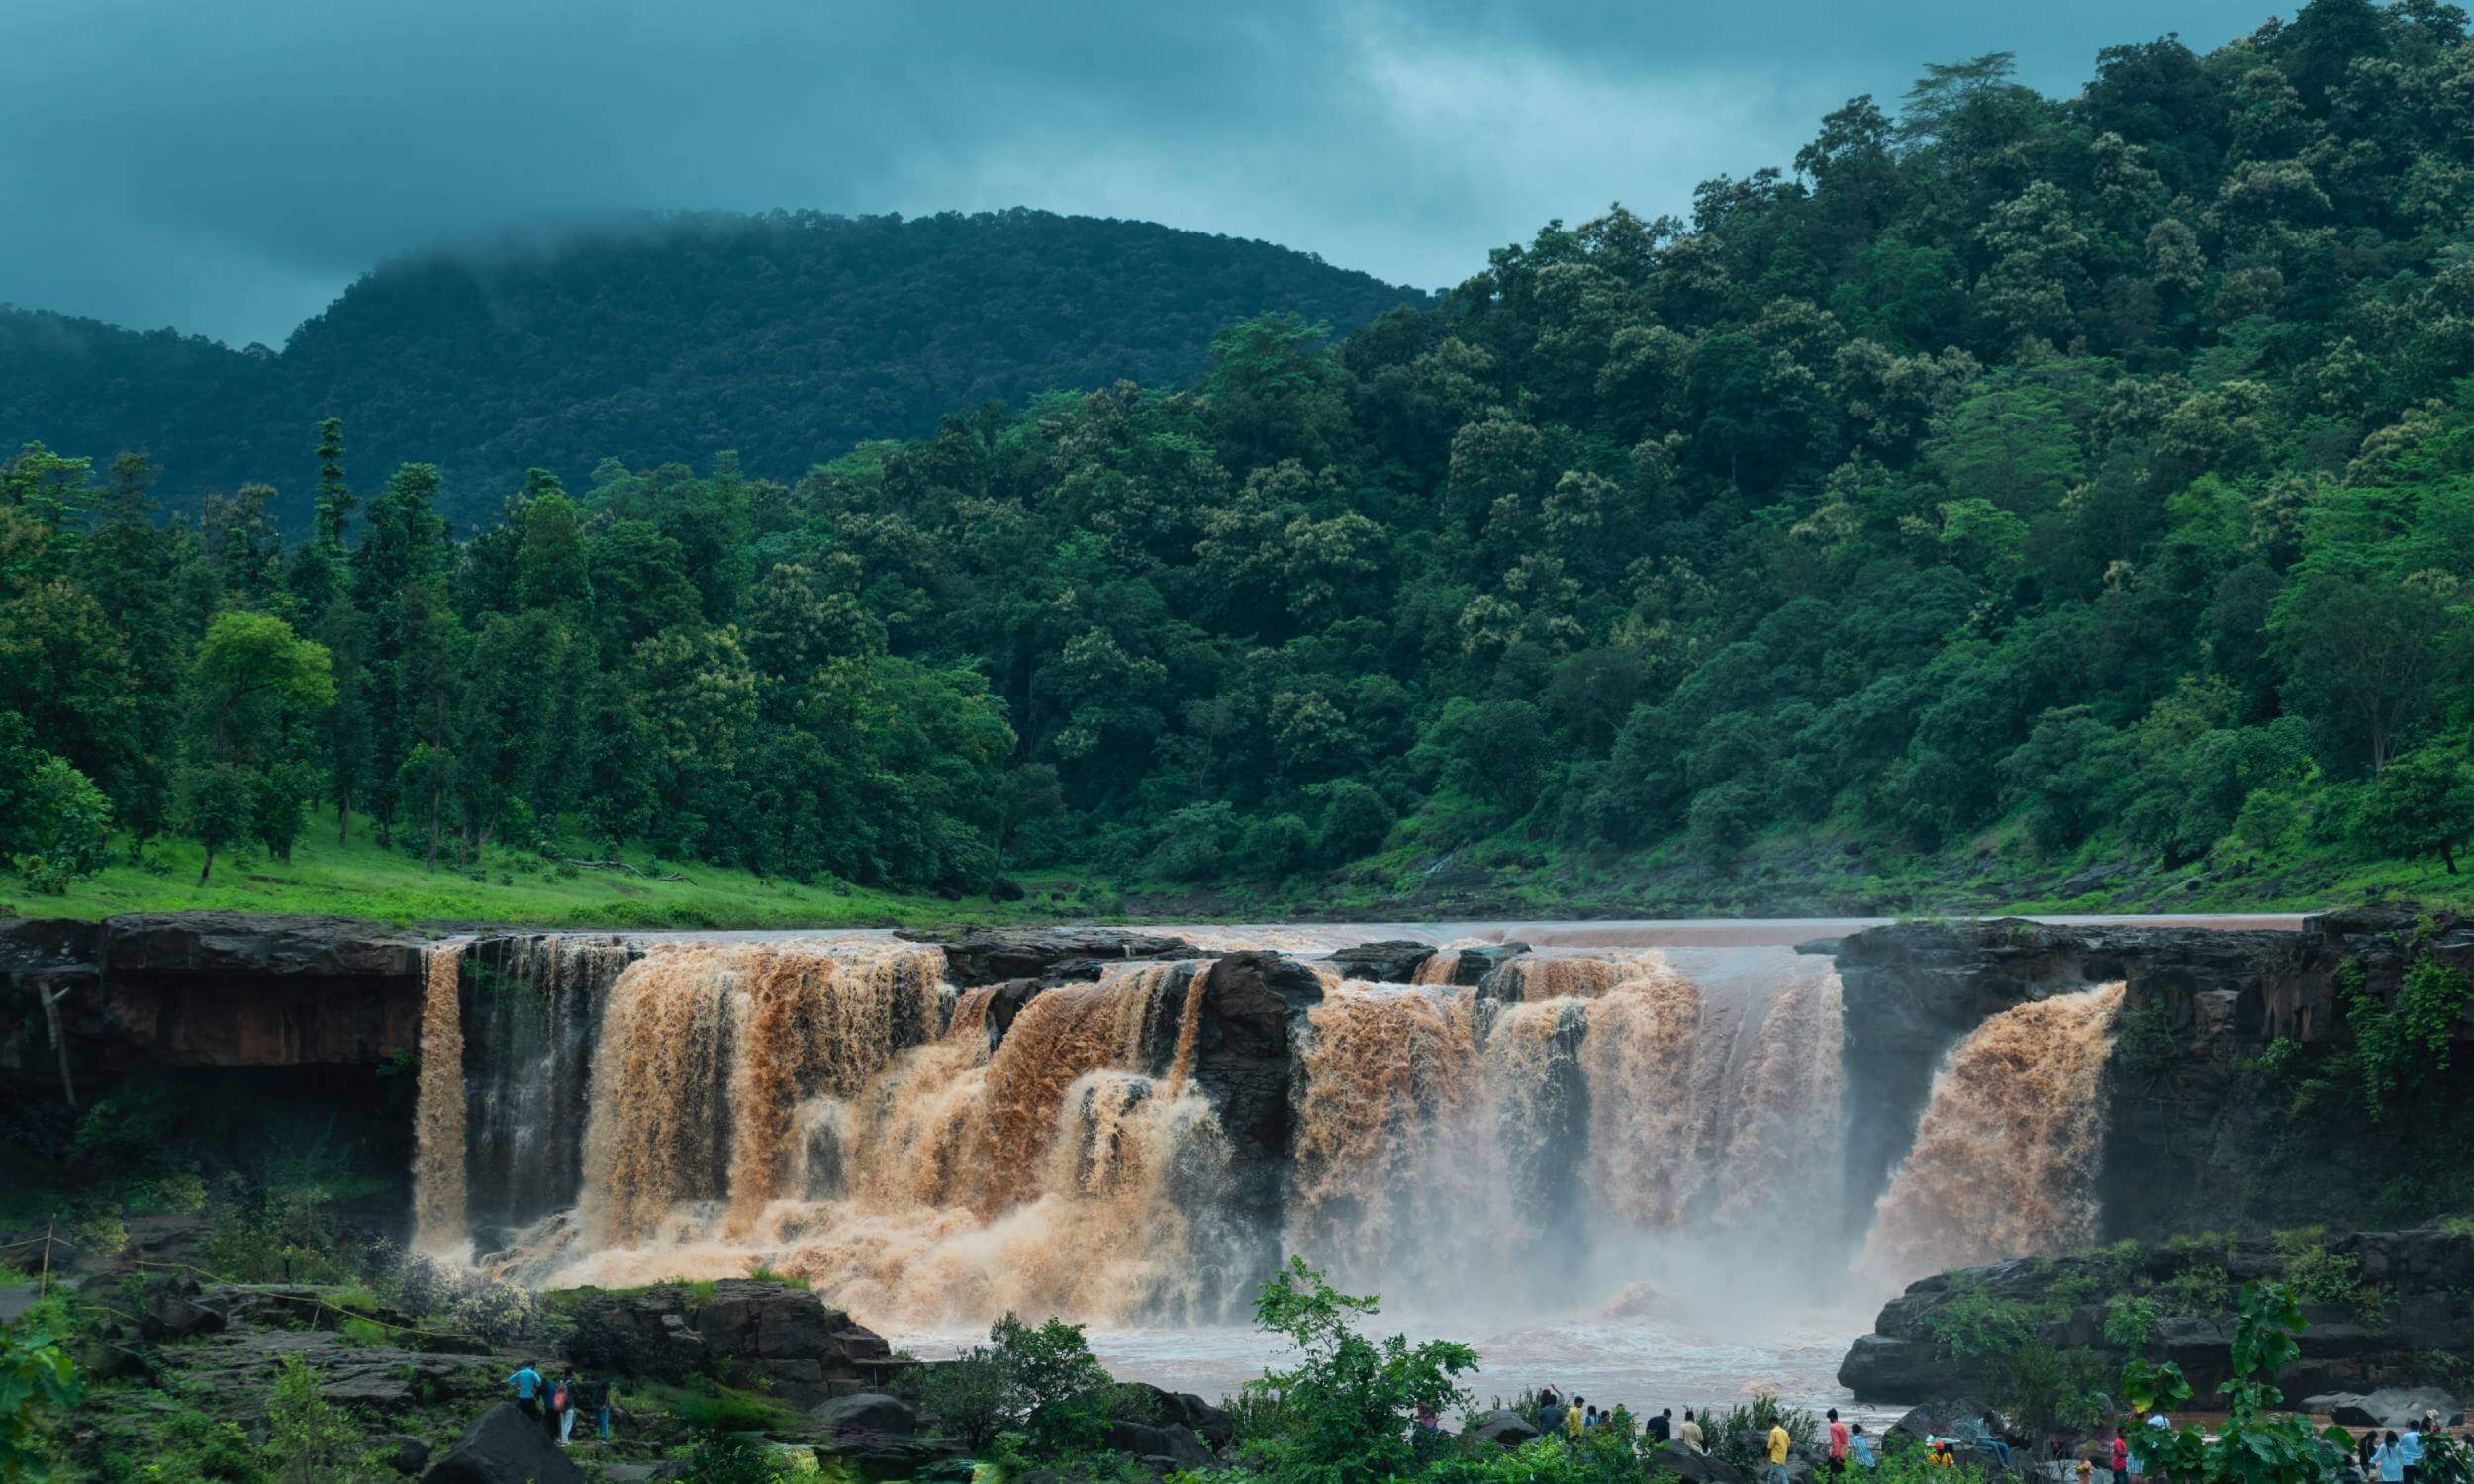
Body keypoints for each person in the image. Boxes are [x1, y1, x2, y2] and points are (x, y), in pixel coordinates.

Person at [1768, 1415, 1793, 1484]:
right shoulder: (1785, 1432)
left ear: (1773, 1422)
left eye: (1770, 1423)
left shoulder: (1773, 1431)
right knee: (1771, 1476)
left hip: (1776, 1458)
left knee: (1784, 1478)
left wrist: (1766, 1456)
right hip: (1783, 1457)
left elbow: (1770, 1446)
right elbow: (1789, 1444)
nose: (1770, 1425)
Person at [2399, 1417, 2424, 1484]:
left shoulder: (2405, 1435)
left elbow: (2399, 1445)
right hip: (2420, 1463)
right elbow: (2426, 1448)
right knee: (2421, 1481)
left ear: (2410, 1426)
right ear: (2418, 1426)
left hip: (2407, 1463)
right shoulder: (2422, 1436)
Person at [1829, 1407, 1852, 1476]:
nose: (1829, 1420)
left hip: (1835, 1455)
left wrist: (1836, 1456)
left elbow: (1836, 1441)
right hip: (1844, 1454)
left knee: (1827, 1473)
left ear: (1832, 1417)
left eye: (1829, 1418)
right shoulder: (1843, 1426)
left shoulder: (1832, 1426)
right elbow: (1845, 1441)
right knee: (1842, 1475)